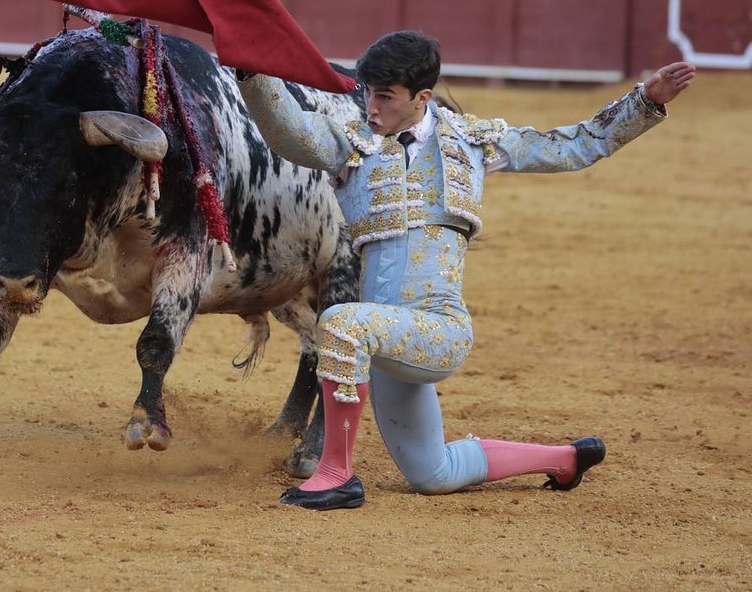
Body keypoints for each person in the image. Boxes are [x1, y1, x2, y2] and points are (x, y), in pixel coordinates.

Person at [234, 31, 695, 510]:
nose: (370, 107)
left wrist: (643, 103)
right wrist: (250, 71)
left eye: (385, 96)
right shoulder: (353, 147)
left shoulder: (471, 142)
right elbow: (288, 131)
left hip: (438, 330)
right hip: (384, 337)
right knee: (433, 473)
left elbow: (574, 146)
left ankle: (335, 474)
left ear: (422, 99)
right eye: (368, 92)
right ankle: (564, 459)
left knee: (341, 322)